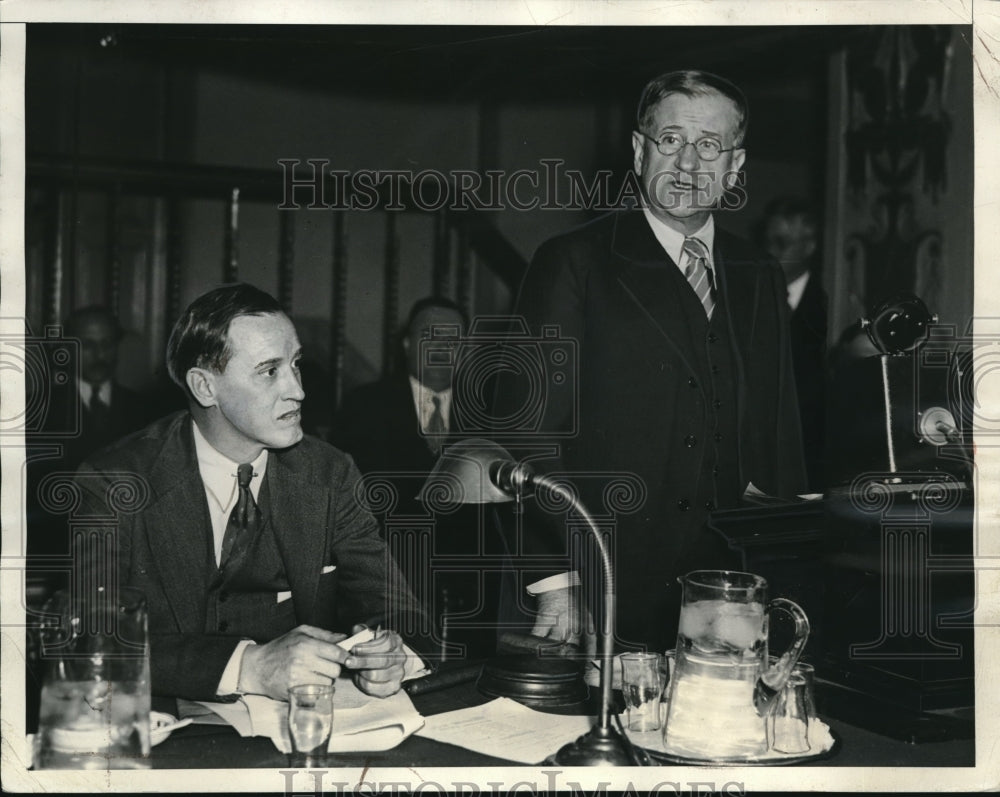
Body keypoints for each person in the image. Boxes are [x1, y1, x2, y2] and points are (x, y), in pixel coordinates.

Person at [510, 70, 807, 653]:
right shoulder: (574, 260)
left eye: (709, 145)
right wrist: (558, 581)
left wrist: (786, 566)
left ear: (735, 166)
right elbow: (526, 435)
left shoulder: (760, 274)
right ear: (639, 151)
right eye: (671, 140)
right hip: (604, 579)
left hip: (731, 585)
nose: (688, 163)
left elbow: (781, 433)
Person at [73, 284, 426, 701]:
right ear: (205, 387)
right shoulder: (113, 481)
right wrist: (248, 666)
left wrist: (391, 654)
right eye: (269, 371)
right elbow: (92, 640)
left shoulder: (331, 473)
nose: (298, 390)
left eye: (296, 364)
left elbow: (397, 609)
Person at [332, 297, 503, 659]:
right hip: (392, 580)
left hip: (472, 591)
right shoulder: (365, 406)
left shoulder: (491, 411)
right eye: (430, 336)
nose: (441, 348)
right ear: (408, 344)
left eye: (453, 339)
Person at [757, 197, 828, 489]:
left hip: (812, 461)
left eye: (781, 243)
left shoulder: (829, 303)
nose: (770, 252)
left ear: (809, 247)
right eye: (767, 242)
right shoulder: (752, 299)